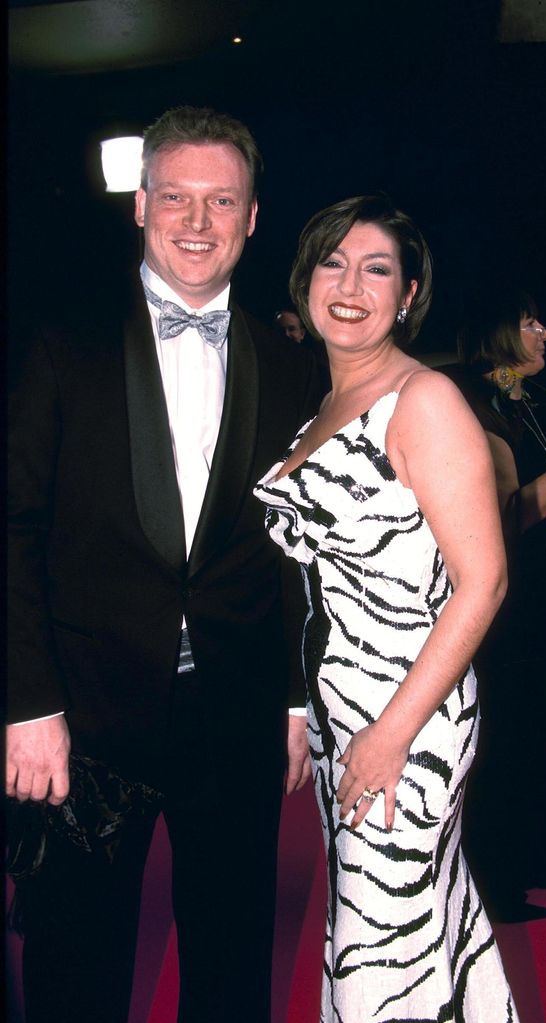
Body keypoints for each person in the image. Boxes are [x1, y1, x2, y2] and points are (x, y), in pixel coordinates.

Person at [7, 105, 322, 1023]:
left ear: (252, 216)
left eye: (219, 201)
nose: (196, 222)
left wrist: (296, 697)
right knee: (76, 954)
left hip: (233, 709)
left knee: (231, 955)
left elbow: (296, 550)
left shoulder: (291, 364)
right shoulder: (60, 341)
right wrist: (27, 703)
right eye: (176, 198)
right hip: (84, 715)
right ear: (141, 204)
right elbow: (14, 525)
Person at [254, 196, 518, 1022]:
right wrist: (305, 706)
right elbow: (316, 591)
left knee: (379, 946)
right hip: (352, 708)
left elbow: (483, 582)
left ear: (407, 295)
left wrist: (390, 734)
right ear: (304, 281)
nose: (350, 285)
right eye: (332, 262)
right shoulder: (326, 402)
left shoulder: (423, 399)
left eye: (377, 269)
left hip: (407, 713)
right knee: (424, 921)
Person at [441, 289, 546, 921]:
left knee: (531, 719)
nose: (544, 332)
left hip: (532, 591)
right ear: (496, 330)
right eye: (528, 322)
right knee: (503, 729)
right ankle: (496, 879)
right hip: (495, 597)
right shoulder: (469, 402)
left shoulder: (505, 393)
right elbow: (505, 515)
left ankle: (535, 857)